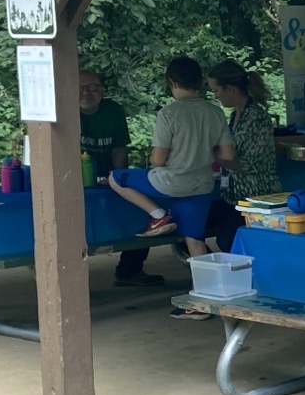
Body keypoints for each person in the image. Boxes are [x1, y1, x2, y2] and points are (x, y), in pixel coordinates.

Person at [107, 56, 235, 264]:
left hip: (169, 183)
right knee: (195, 241)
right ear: (199, 82)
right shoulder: (215, 112)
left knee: (116, 177)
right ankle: (209, 288)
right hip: (201, 186)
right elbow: (228, 155)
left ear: (172, 82)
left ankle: (158, 216)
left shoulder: (168, 114)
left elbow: (158, 160)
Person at [78, 69, 163, 288]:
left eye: (92, 87)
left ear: (102, 90)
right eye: (80, 88)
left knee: (141, 208)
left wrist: (118, 179)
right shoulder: (63, 113)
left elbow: (119, 149)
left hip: (109, 178)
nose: (86, 92)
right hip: (74, 180)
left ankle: (130, 270)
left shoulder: (112, 110)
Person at [205, 60, 281, 252]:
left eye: (216, 91)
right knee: (193, 221)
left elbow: (247, 165)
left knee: (227, 239)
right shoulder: (235, 116)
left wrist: (213, 155)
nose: (215, 96)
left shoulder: (257, 117)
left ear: (230, 89)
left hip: (255, 197)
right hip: (232, 196)